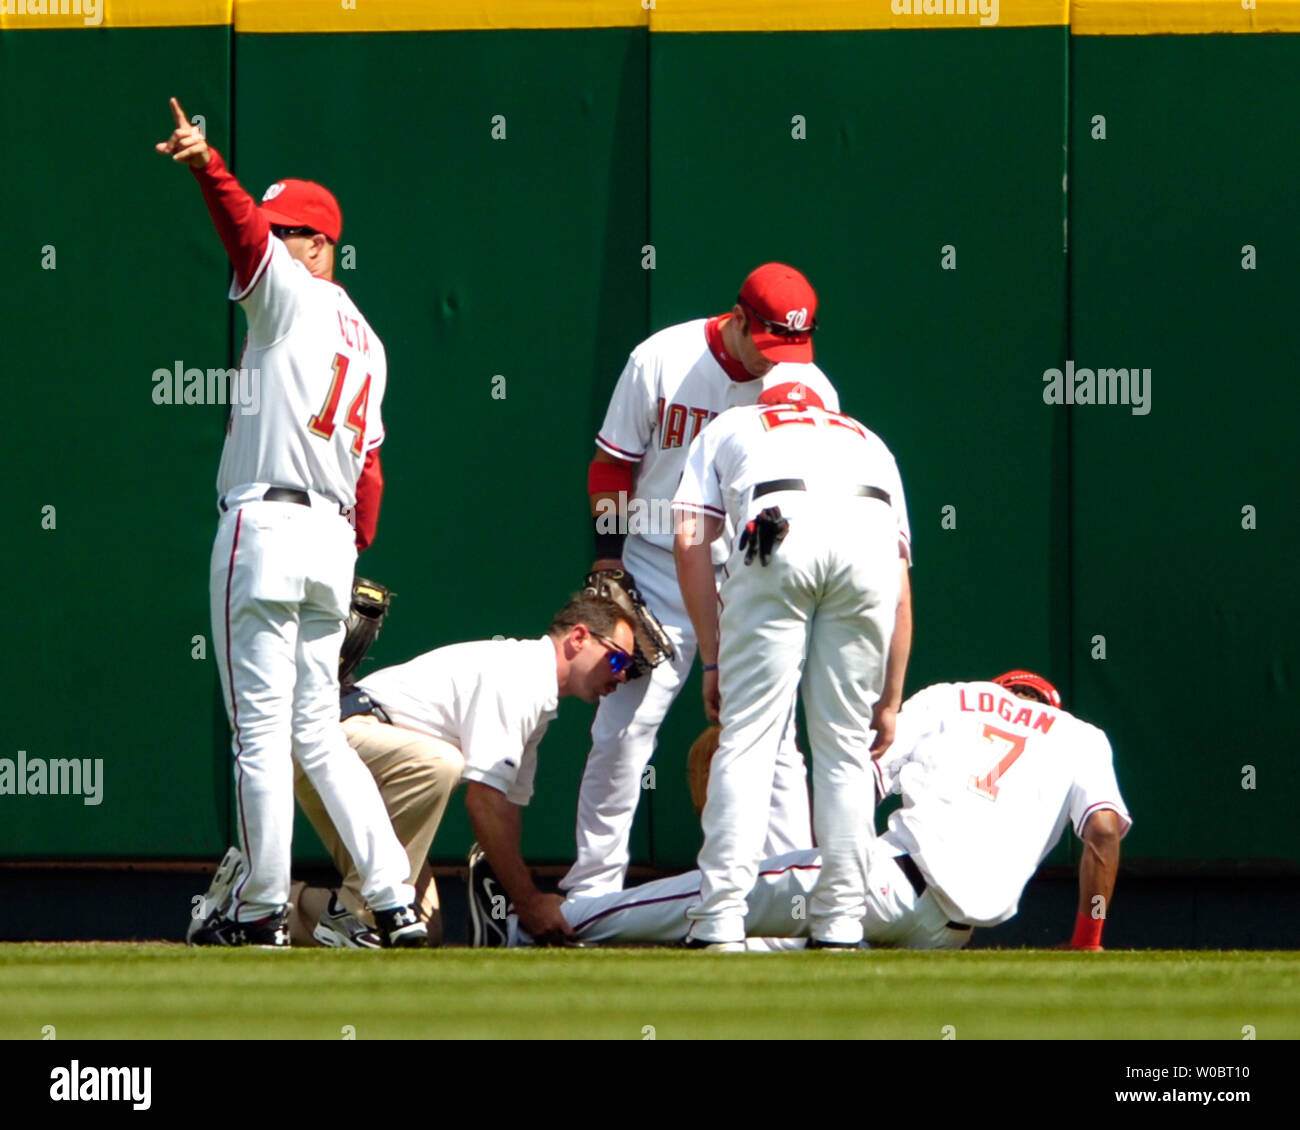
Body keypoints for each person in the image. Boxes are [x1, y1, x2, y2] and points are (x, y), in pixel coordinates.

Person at [157, 96, 424, 947]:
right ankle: (392, 901)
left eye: (289, 231)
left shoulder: (291, 298)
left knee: (260, 734)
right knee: (319, 734)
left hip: (265, 527)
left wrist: (208, 165)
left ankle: (259, 908)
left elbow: (239, 233)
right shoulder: (371, 340)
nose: (272, 242)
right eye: (276, 230)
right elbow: (372, 470)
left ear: (321, 246)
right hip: (331, 539)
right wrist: (353, 560)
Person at [476, 673, 1130, 951]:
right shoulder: (1081, 737)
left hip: (888, 877)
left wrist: (847, 860)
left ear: (1003, 686)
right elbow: (1103, 831)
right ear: (1050, 701)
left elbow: (864, 777)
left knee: (714, 897)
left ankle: (551, 918)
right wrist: (1088, 941)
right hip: (952, 935)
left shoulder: (956, 698)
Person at [564, 263, 839, 900]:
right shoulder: (662, 358)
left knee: (774, 741)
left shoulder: (807, 385)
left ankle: (787, 891)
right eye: (769, 344)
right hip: (656, 565)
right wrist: (609, 560)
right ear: (739, 318)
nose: (779, 362)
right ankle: (592, 896)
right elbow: (612, 467)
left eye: (792, 346)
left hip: (752, 572)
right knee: (623, 733)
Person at [191, 593, 637, 948]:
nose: (620, 677)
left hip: (364, 763)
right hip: (330, 743)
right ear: (578, 638)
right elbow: (482, 802)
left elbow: (506, 808)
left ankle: (245, 905)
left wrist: (524, 900)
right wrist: (531, 902)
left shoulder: (538, 700)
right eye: (617, 659)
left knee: (418, 932)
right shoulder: (521, 675)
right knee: (438, 763)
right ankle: (352, 909)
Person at [672, 380, 913, 949]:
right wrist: (892, 698)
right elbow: (902, 590)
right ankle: (841, 920)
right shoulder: (869, 440)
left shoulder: (733, 424)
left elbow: (689, 539)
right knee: (845, 750)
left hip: (776, 527)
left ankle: (721, 916)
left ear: (768, 400)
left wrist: (712, 660)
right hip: (867, 541)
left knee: (748, 738)